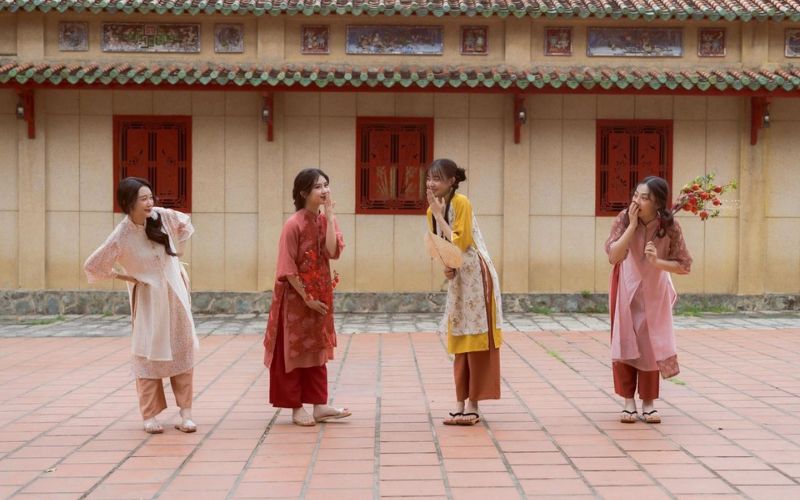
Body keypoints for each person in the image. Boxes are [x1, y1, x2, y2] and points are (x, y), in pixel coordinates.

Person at [84, 177, 199, 434]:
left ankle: (186, 413)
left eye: (150, 197)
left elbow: (185, 224)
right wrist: (129, 277)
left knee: (182, 348)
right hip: (148, 298)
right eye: (143, 199)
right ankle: (150, 415)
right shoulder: (122, 235)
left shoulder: (162, 216)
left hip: (175, 293)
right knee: (148, 353)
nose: (150, 203)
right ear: (128, 203)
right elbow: (94, 265)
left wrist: (176, 261)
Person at [263, 168, 350, 426]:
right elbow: (287, 268)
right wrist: (307, 297)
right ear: (303, 193)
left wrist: (331, 215)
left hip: (321, 294)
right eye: (318, 187)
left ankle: (320, 405)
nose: (324, 190)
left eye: (326, 184)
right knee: (294, 350)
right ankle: (295, 407)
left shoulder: (325, 221)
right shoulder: (293, 225)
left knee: (317, 348)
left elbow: (333, 252)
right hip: (295, 299)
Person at [605, 176, 693, 424]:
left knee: (650, 344)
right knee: (625, 341)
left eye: (645, 198)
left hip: (655, 290)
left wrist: (658, 262)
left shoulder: (670, 226)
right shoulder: (624, 219)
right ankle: (627, 401)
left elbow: (684, 265)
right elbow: (613, 256)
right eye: (636, 195)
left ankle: (648, 402)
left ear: (658, 203)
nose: (637, 201)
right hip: (626, 287)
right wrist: (632, 226)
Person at [426, 159, 503, 426]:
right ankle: (459, 403)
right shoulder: (432, 209)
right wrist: (446, 268)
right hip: (458, 278)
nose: (431, 183)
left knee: (476, 338)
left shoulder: (462, 203)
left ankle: (473, 404)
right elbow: (439, 245)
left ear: (451, 181)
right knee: (459, 337)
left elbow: (461, 241)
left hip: (477, 277)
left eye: (437, 178)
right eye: (429, 178)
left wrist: (438, 216)